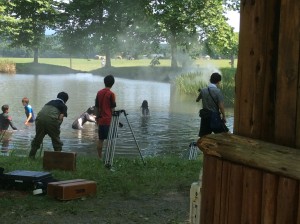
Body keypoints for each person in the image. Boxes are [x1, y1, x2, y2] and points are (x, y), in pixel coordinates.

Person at [29, 92, 69, 159]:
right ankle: (58, 158)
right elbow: (61, 117)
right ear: (65, 100)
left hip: (39, 120)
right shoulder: (63, 106)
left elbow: (43, 112)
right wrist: (57, 126)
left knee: (37, 139)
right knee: (56, 141)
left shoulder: (49, 102)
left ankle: (31, 156)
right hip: (51, 121)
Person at [196, 72, 228, 137]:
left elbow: (197, 100)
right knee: (226, 136)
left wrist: (201, 92)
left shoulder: (203, 90)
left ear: (210, 80)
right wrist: (224, 116)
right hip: (215, 118)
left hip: (205, 118)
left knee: (204, 138)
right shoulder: (218, 91)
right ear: (219, 81)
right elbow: (221, 106)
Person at [95, 75, 116, 159]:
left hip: (101, 120)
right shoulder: (111, 94)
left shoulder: (99, 93)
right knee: (110, 140)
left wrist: (97, 118)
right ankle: (108, 157)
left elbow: (96, 107)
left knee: (101, 139)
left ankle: (99, 157)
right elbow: (112, 108)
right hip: (108, 120)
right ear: (113, 83)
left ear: (104, 82)